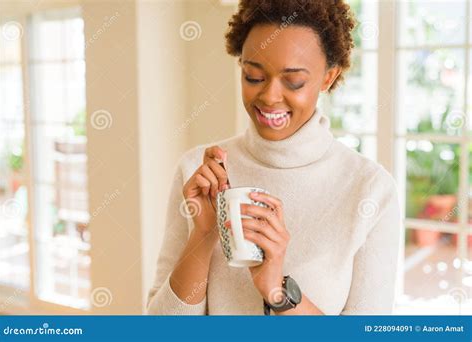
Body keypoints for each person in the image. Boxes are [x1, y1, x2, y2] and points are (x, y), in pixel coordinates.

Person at [147, 0, 401, 315]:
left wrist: (277, 292)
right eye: (253, 77)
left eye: (293, 81)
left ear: (328, 78)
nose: (269, 96)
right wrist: (203, 235)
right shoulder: (199, 172)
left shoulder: (370, 189)